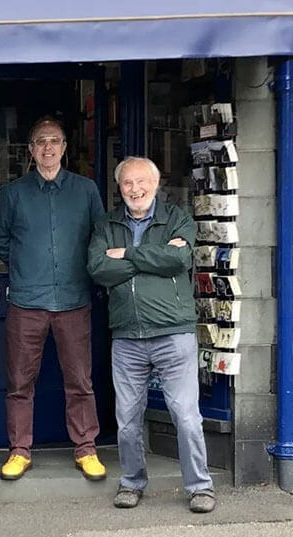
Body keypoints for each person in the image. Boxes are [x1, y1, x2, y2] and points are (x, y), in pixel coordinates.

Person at [87, 156, 216, 513]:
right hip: (127, 336)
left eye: (142, 182)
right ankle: (132, 482)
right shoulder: (106, 224)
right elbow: (98, 268)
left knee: (185, 415)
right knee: (127, 419)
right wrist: (154, 256)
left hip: (173, 333)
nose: (135, 189)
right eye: (127, 183)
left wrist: (127, 254)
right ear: (119, 188)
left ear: (156, 184)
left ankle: (200, 486)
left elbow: (178, 261)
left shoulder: (177, 218)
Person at [0, 116, 106, 481]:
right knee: (20, 382)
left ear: (65, 148)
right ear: (30, 149)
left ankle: (86, 448)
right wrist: (28, 266)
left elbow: (100, 237)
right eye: (41, 141)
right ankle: (20, 450)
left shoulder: (86, 190)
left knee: (80, 380)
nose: (48, 147)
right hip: (27, 300)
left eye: (54, 140)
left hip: (74, 299)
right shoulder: (13, 193)